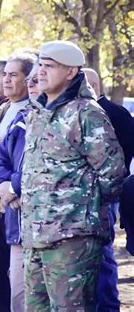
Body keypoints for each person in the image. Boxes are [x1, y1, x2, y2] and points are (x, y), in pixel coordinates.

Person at [22, 40, 126, 311]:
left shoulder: (86, 112)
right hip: (36, 235)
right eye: (40, 65)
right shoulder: (37, 112)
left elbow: (112, 174)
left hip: (73, 238)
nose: (41, 72)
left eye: (50, 66)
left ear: (70, 72)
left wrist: (81, 211)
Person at [0, 52, 35, 312]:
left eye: (13, 75)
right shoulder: (2, 109)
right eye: (5, 76)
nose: (6, 81)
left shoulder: (30, 110)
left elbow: (20, 155)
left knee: (12, 281)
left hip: (10, 207)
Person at [83, 67, 134, 312]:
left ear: (91, 85)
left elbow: (125, 153)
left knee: (103, 252)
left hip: (105, 195)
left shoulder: (115, 113)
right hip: (82, 197)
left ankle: (107, 304)